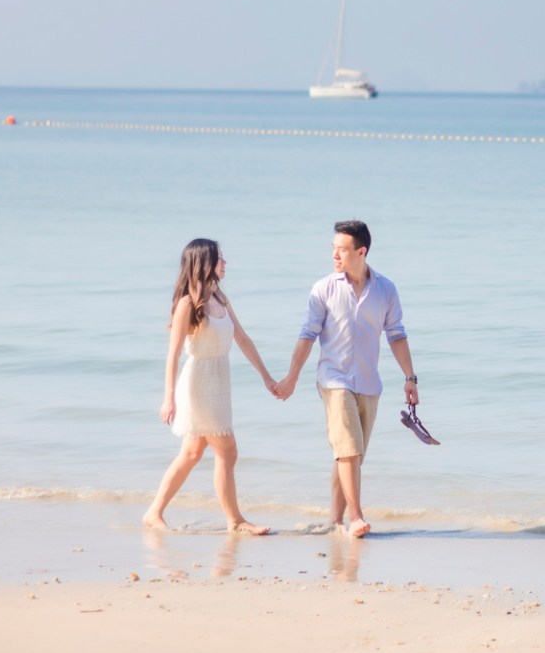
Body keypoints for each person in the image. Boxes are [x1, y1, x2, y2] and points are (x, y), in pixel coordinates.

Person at [275, 220, 418, 538]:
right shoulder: (323, 288)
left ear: (361, 251)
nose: (335, 255)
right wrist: (292, 377)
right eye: (333, 248)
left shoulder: (386, 289)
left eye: (342, 249)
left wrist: (410, 378)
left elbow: (396, 335)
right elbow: (307, 335)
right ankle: (356, 517)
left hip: (369, 383)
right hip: (334, 378)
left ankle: (335, 521)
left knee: (348, 455)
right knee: (349, 450)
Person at [144, 238, 278, 534]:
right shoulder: (187, 304)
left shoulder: (220, 298)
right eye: (220, 258)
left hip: (219, 379)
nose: (225, 263)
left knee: (192, 454)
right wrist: (168, 398)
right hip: (197, 384)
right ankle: (236, 521)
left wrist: (266, 376)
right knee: (228, 451)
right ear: (205, 264)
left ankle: (154, 512)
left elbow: (242, 339)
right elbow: (174, 353)